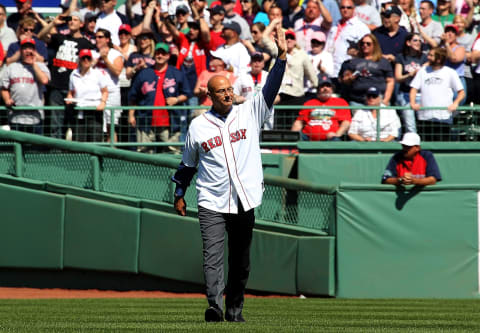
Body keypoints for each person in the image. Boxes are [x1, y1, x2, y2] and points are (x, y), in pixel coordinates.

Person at [171, 22, 286, 323]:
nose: (227, 94)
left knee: (241, 262)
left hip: (244, 198)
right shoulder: (198, 126)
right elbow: (187, 165)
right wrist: (179, 193)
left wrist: (282, 57)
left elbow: (271, 86)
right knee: (212, 257)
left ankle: (235, 308)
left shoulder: (250, 112)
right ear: (210, 95)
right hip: (211, 199)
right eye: (220, 91)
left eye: (229, 89)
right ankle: (214, 307)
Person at [37, 11, 94, 139]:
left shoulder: (86, 43)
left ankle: (71, 153)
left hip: (74, 88)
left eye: (75, 19)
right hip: (57, 86)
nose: (71, 22)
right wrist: (53, 23)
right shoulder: (60, 38)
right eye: (70, 20)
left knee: (73, 123)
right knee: (55, 123)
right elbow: (40, 36)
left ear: (81, 24)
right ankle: (55, 152)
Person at [128, 42, 191, 153]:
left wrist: (176, 99)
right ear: (154, 55)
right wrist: (131, 115)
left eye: (163, 53)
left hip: (170, 122)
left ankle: (172, 172)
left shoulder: (176, 73)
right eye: (158, 53)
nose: (160, 56)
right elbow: (133, 96)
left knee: (172, 153)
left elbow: (187, 93)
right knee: (144, 153)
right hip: (146, 120)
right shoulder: (144, 73)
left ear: (168, 56)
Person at [410, 47, 465, 141]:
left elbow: (461, 92)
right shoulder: (422, 71)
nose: (428, 57)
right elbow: (413, 89)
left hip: (443, 117)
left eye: (431, 55)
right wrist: (412, 103)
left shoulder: (450, 72)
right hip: (425, 117)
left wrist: (455, 103)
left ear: (439, 59)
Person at [1, 38, 50, 135]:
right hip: (16, 116)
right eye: (25, 48)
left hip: (35, 117)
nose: (28, 51)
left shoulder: (41, 66)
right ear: (20, 51)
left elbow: (44, 80)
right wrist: (7, 99)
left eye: (30, 48)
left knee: (34, 149)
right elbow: (4, 88)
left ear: (34, 51)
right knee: (17, 148)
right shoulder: (11, 67)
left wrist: (34, 65)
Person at [275, 29, 318, 129]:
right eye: (286, 38)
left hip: (296, 95)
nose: (289, 40)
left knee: (293, 128)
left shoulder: (302, 55)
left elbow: (312, 75)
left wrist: (315, 86)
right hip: (281, 94)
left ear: (295, 41)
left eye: (291, 38)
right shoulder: (277, 53)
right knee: (280, 128)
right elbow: (264, 40)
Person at [339, 33, 395, 106]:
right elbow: (345, 79)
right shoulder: (353, 62)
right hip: (358, 100)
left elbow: (390, 81)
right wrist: (349, 79)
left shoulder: (383, 61)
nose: (365, 45)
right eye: (363, 43)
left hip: (378, 100)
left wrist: (386, 100)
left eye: (368, 44)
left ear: (374, 45)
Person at [66, 48, 109, 142]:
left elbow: (105, 91)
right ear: (80, 60)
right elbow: (71, 92)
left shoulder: (98, 74)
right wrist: (69, 98)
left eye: (88, 58)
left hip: (94, 110)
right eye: (83, 58)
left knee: (95, 141)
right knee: (79, 141)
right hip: (79, 111)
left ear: (91, 60)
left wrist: (103, 102)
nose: (86, 60)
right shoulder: (74, 74)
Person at [291, 75, 351, 141]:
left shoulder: (340, 102)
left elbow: (346, 122)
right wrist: (293, 137)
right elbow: (299, 122)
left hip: (331, 139)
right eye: (322, 86)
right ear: (318, 89)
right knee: (298, 138)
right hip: (308, 138)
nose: (325, 88)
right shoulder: (309, 103)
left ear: (332, 88)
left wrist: (337, 134)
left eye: (328, 86)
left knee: (336, 140)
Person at [92, 28, 124, 142]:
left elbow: (117, 71)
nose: (97, 39)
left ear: (107, 39)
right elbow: (84, 70)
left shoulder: (115, 54)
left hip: (111, 93)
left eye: (100, 37)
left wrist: (105, 58)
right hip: (95, 94)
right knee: (96, 125)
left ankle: (111, 153)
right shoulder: (92, 53)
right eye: (96, 37)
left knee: (111, 126)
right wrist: (97, 59)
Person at [326, 0, 370, 79]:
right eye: (342, 7)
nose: (345, 10)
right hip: (330, 71)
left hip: (348, 72)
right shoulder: (334, 26)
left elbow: (368, 50)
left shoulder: (361, 28)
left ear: (354, 9)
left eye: (348, 7)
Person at [395, 32, 428, 133]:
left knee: (424, 122)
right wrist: (410, 75)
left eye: (419, 41)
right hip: (405, 94)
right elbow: (398, 77)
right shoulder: (401, 57)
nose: (418, 43)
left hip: (421, 94)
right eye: (415, 40)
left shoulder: (424, 57)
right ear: (408, 43)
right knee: (410, 124)